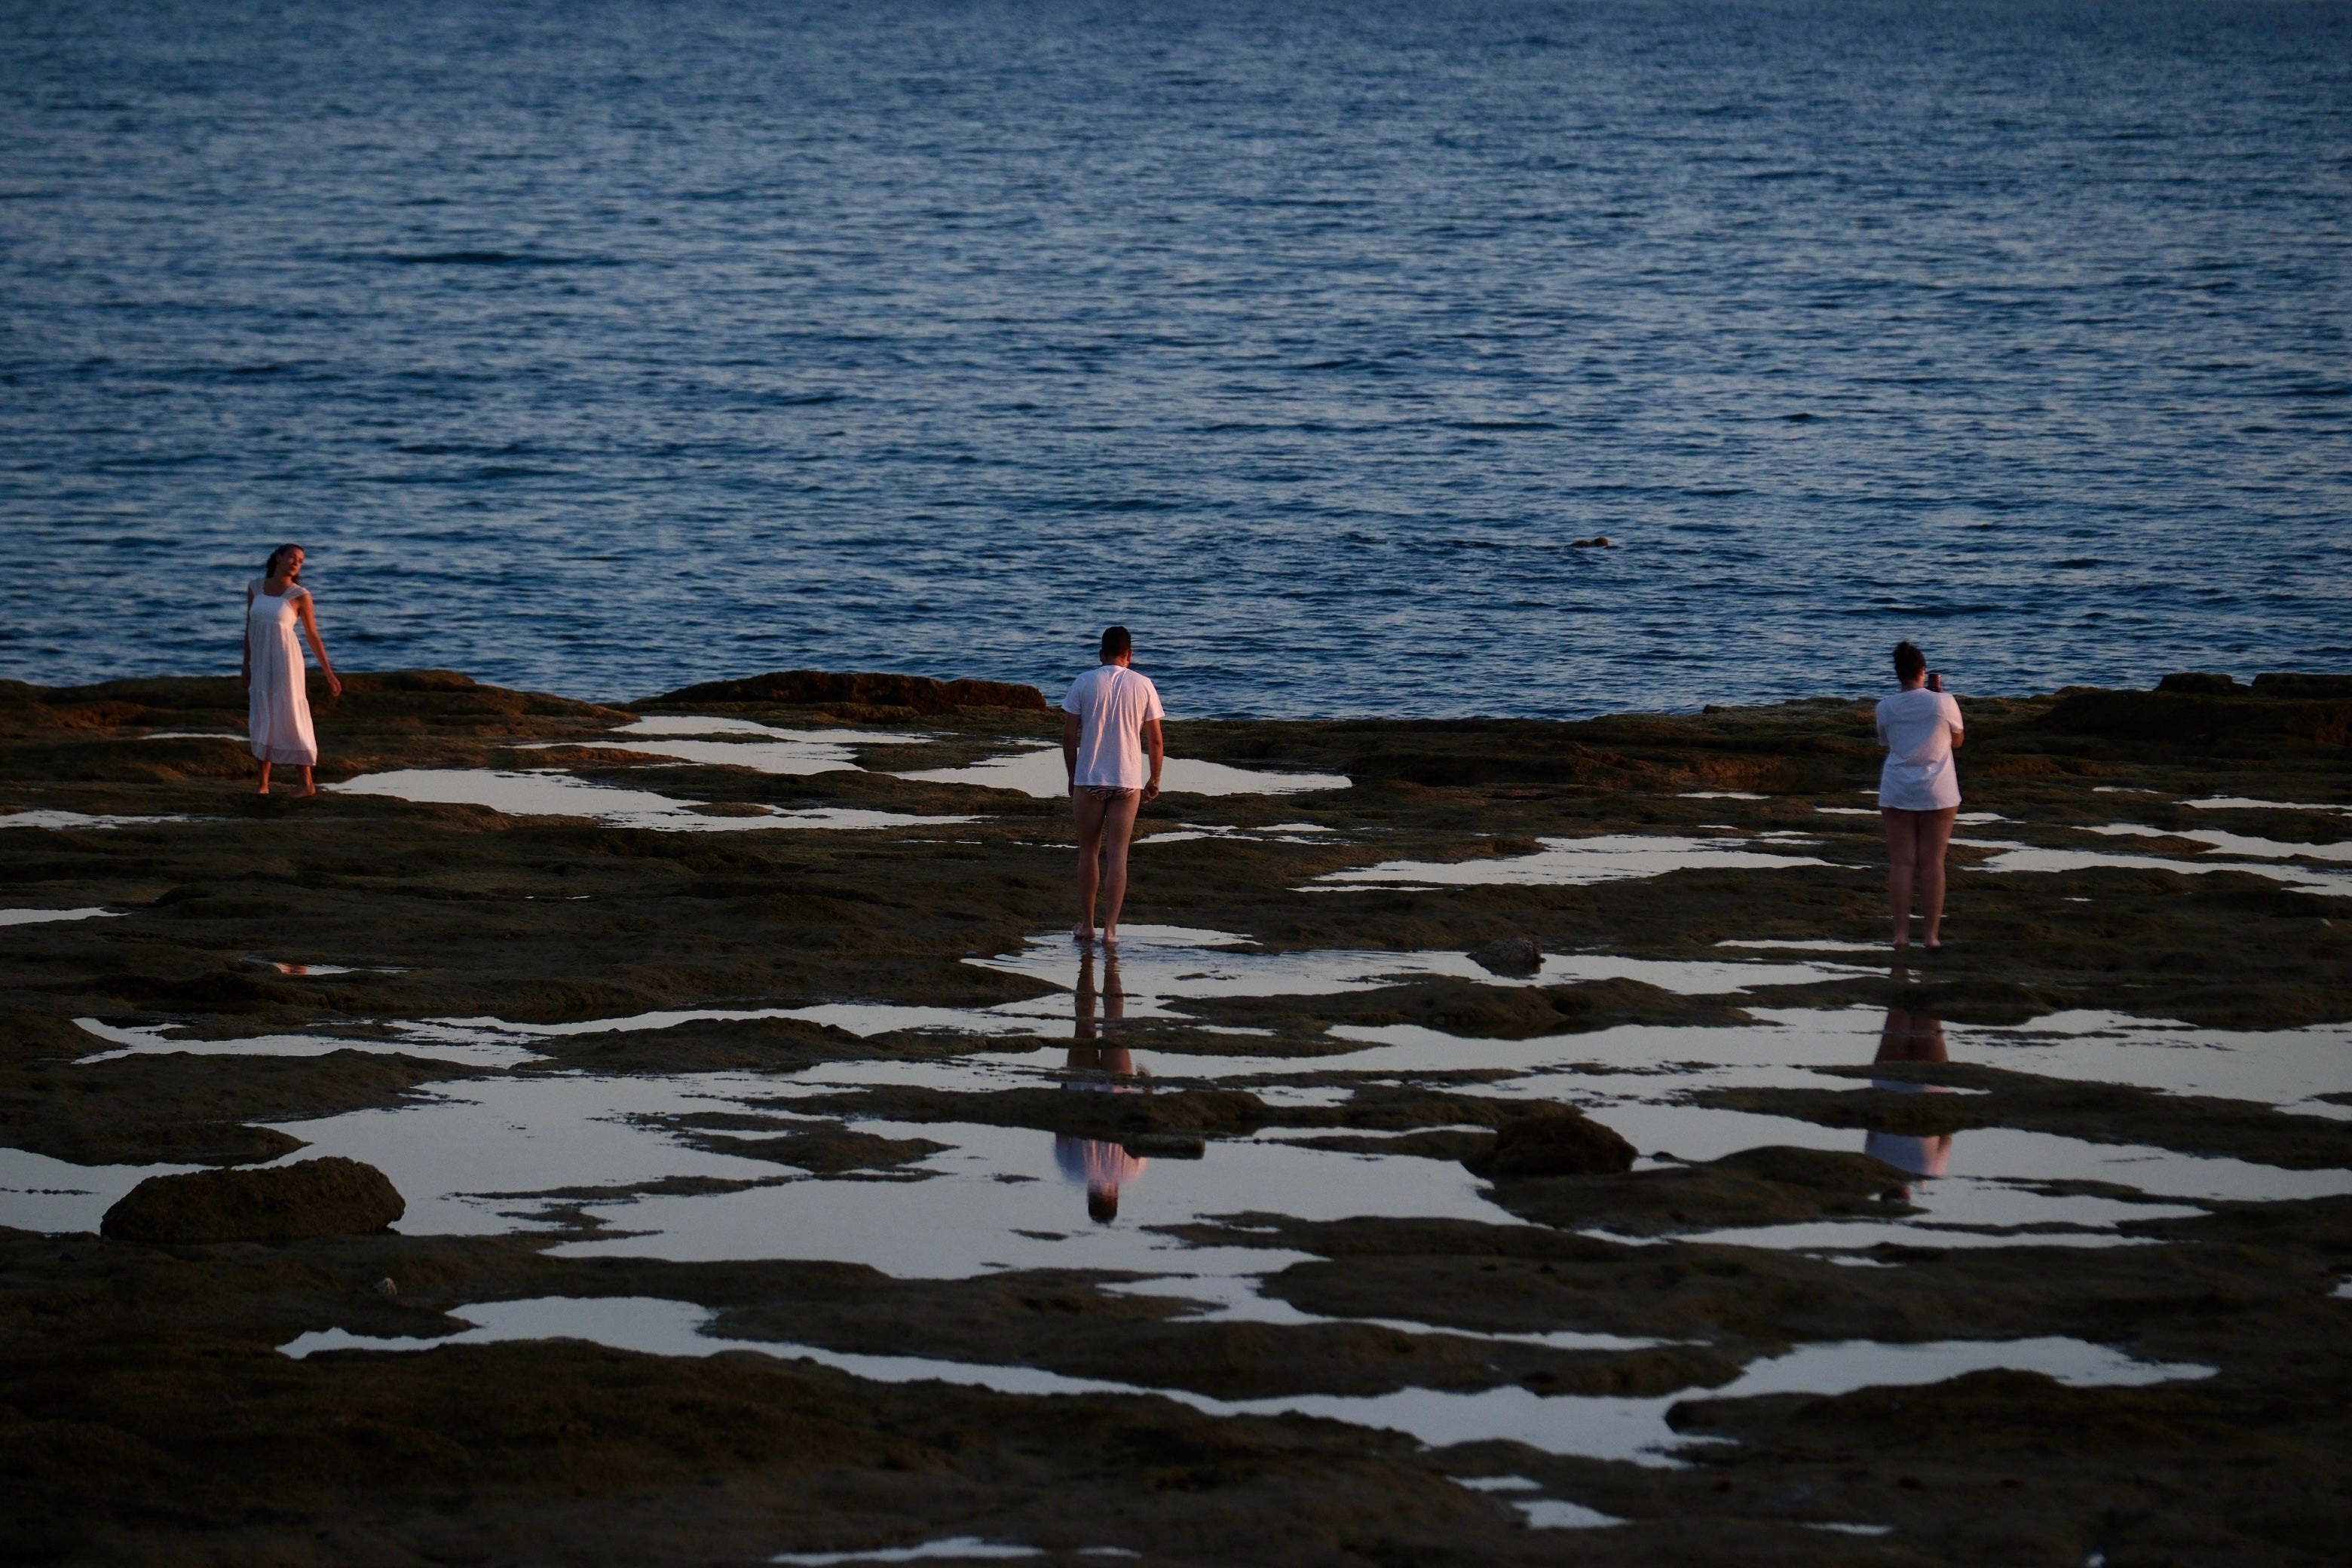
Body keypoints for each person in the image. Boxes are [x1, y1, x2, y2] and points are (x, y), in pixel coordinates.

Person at [1061, 625, 1164, 945]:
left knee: (1089, 851)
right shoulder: (1144, 684)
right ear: (1129, 655)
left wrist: (1072, 775)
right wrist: (1154, 778)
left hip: (1089, 778)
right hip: (1128, 780)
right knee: (1118, 855)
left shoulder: (1084, 681)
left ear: (1101, 654)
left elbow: (1068, 735)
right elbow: (1156, 740)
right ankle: (1111, 931)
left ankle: (1088, 925)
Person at [1876, 640, 1962, 952]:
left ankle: (1900, 935)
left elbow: (1886, 742)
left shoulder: (1884, 706)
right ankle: (1931, 936)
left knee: (1901, 864)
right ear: (1923, 672)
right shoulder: (1945, 702)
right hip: (1938, 789)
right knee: (1932, 864)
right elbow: (1957, 742)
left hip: (1898, 786)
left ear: (1898, 674)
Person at [242, 543, 341, 796]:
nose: (297, 563)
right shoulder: (255, 587)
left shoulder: (300, 595)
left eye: (301, 560)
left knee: (290, 714)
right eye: (292, 557)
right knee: (263, 715)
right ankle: (262, 785)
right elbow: (249, 628)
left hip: (286, 660)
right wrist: (246, 664)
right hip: (262, 661)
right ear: (278, 557)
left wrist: (328, 673)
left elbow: (313, 636)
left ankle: (306, 783)